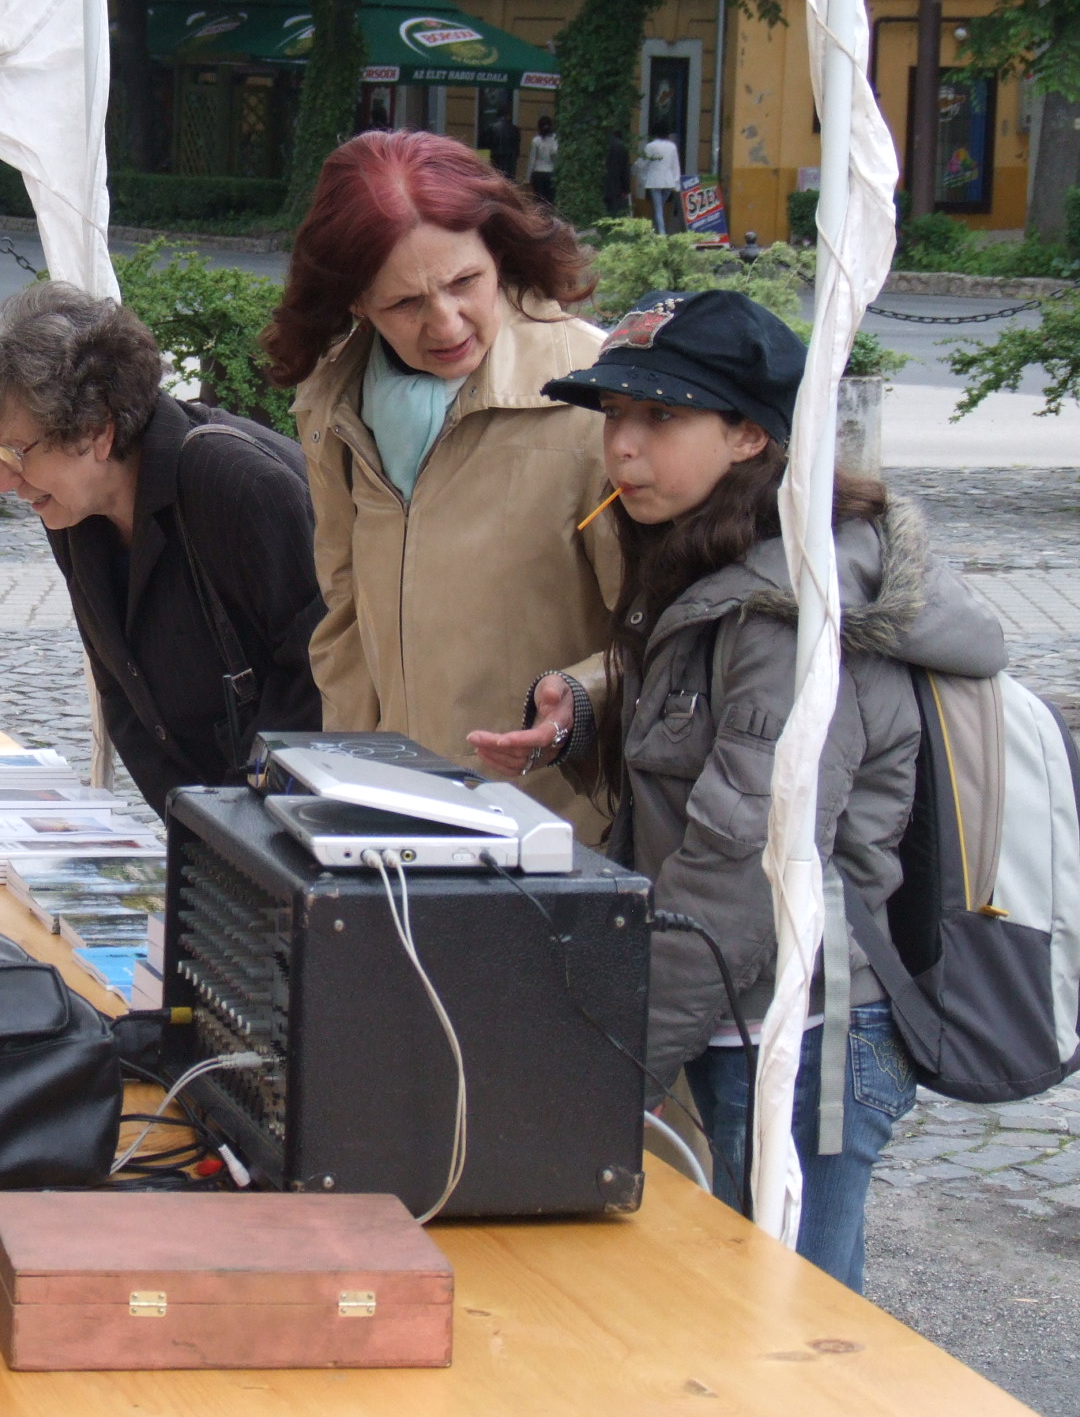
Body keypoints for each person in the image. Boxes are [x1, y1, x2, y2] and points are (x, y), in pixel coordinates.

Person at [468, 291, 1006, 1289]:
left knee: (786, 1322)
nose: (622, 446)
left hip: (799, 1034)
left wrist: (615, 1061)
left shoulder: (791, 610)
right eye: (613, 414)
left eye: (660, 416)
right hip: (737, 1017)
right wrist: (585, 716)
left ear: (750, 434)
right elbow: (699, 745)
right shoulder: (711, 560)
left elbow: (745, 864)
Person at [260, 129, 618, 834]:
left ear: (499, 252)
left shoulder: (598, 395)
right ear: (356, 302)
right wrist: (349, 789)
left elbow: (668, 631)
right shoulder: (332, 402)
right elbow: (344, 621)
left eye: (464, 283)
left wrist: (580, 698)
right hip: (396, 822)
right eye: (405, 304)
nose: (446, 324)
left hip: (557, 835)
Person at [0, 281, 323, 816]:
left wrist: (232, 827)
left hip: (299, 823)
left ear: (97, 431)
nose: (5, 481)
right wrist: (192, 825)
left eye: (17, 452)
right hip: (217, 826)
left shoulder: (241, 486)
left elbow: (320, 686)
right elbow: (124, 695)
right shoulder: (75, 509)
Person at [642, 124, 681, 235]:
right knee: (659, 207)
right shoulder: (672, 147)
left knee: (658, 208)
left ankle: (661, 233)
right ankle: (655, 230)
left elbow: (643, 163)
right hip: (668, 182)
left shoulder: (650, 146)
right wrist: (676, 182)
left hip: (654, 181)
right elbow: (675, 165)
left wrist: (639, 174)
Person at [526, 114, 557, 204]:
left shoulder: (536, 140)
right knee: (550, 201)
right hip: (550, 173)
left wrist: (528, 178)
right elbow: (555, 156)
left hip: (538, 173)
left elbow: (532, 161)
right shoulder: (555, 139)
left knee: (538, 200)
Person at [603, 127, 634, 217]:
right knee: (617, 213)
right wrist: (626, 189)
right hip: (618, 187)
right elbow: (625, 170)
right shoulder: (622, 146)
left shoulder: (606, 144)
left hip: (606, 185)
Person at [484, 108, 520, 179]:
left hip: (495, 163)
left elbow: (486, 148)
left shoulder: (492, 128)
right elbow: (517, 151)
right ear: (508, 116)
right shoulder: (514, 129)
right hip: (510, 166)